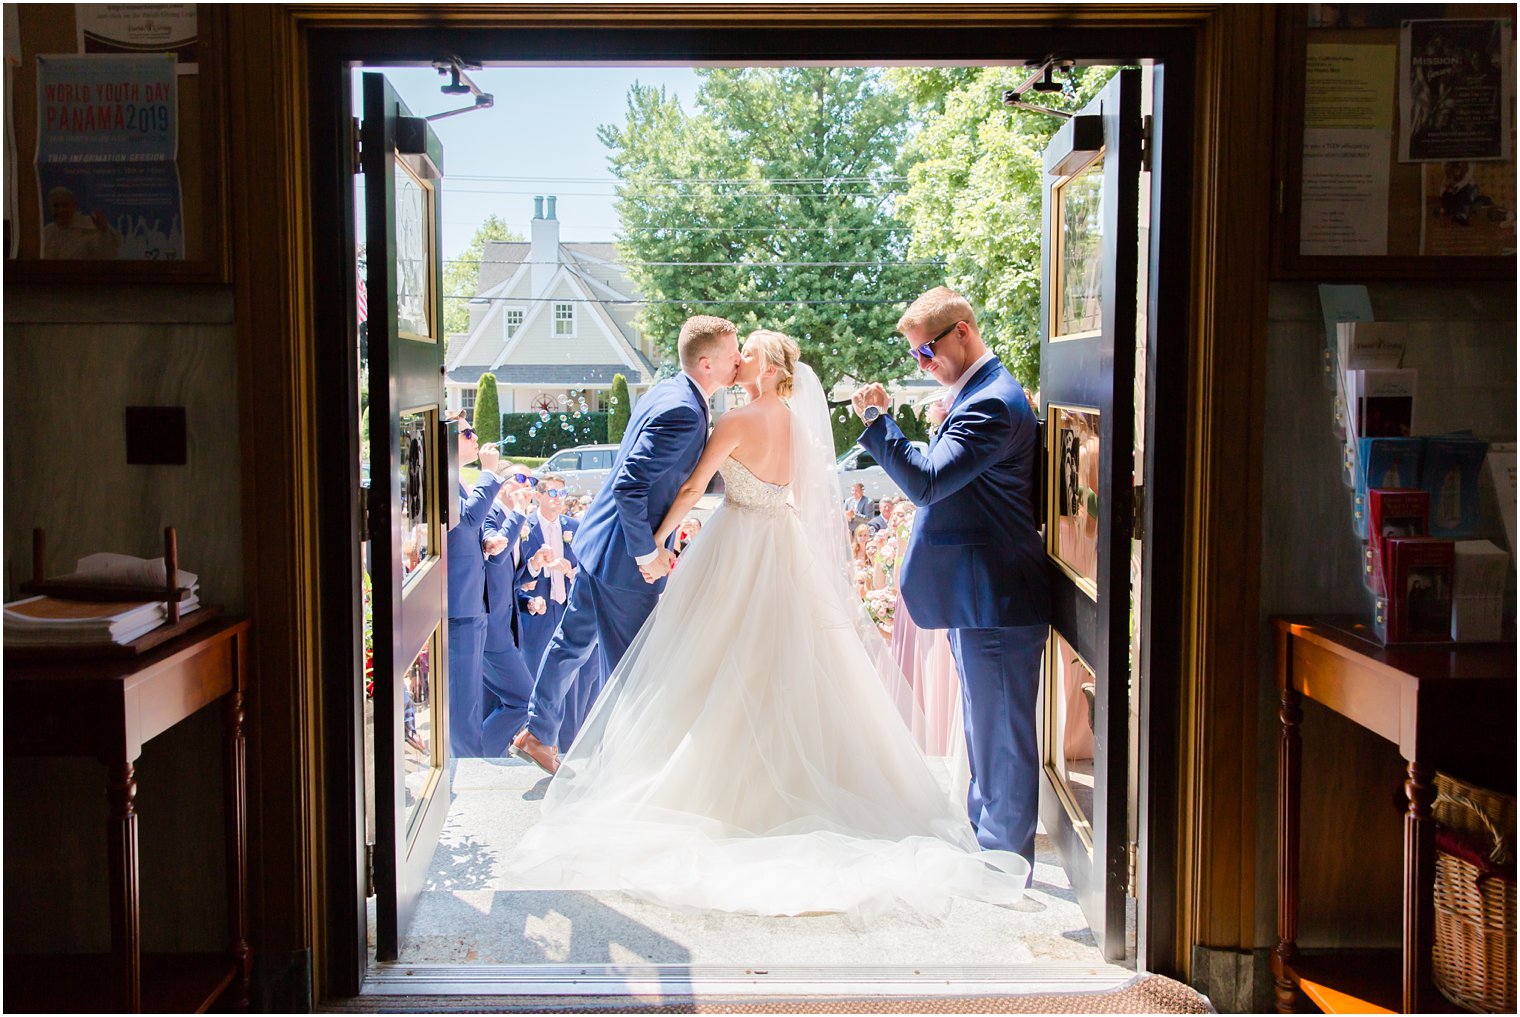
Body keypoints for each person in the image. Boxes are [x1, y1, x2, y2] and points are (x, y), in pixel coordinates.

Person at [506, 329, 1028, 918]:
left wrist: (655, 542)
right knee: (782, 666)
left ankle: (664, 773)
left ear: (768, 364)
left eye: (747, 351)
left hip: (734, 544)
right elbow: (804, 500)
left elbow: (691, 487)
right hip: (782, 545)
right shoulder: (800, 427)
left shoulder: (733, 423)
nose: (739, 359)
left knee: (692, 663)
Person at [852, 286, 1050, 866]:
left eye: (927, 351)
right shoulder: (977, 395)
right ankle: (985, 841)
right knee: (984, 732)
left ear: (963, 331)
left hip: (996, 595)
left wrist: (878, 421)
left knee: (1002, 740)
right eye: (916, 356)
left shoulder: (992, 401)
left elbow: (928, 483)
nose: (924, 364)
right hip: (980, 595)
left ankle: (1004, 861)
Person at [509, 315, 742, 774]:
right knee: (634, 668)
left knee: (571, 643)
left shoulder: (668, 390)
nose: (739, 361)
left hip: (599, 543)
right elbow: (631, 485)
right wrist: (648, 553)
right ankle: (625, 771)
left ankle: (537, 733)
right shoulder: (684, 410)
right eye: (733, 355)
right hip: (625, 563)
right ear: (706, 362)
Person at [444, 416, 518, 758]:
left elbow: (467, 530)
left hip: (471, 605)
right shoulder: (443, 480)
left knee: (471, 703)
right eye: (468, 432)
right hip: (458, 607)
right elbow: (468, 518)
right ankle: (465, 769)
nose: (476, 438)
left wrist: (486, 541)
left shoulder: (456, 481)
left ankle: (475, 759)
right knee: (463, 708)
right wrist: (490, 472)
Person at [513, 474, 594, 750]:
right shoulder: (525, 527)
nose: (559, 499)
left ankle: (569, 746)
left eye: (562, 493)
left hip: (567, 607)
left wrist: (573, 572)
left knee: (571, 679)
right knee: (539, 675)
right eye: (552, 493)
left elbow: (585, 565)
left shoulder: (574, 527)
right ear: (538, 496)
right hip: (538, 610)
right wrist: (536, 575)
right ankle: (538, 740)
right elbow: (515, 574)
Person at [478, 468, 538, 756]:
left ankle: (486, 755)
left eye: (532, 481)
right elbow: (498, 553)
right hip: (490, 625)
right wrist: (518, 513)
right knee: (524, 698)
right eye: (522, 478)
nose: (528, 485)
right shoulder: (491, 514)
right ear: (502, 483)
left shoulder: (514, 517)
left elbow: (508, 575)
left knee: (497, 700)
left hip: (505, 624)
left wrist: (533, 567)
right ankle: (480, 753)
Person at [41, 186, 122, 260]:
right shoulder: (46, 231)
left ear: (74, 205)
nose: (60, 210)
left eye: (65, 205)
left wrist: (103, 231)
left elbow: (105, 257)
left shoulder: (91, 227)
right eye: (56, 206)